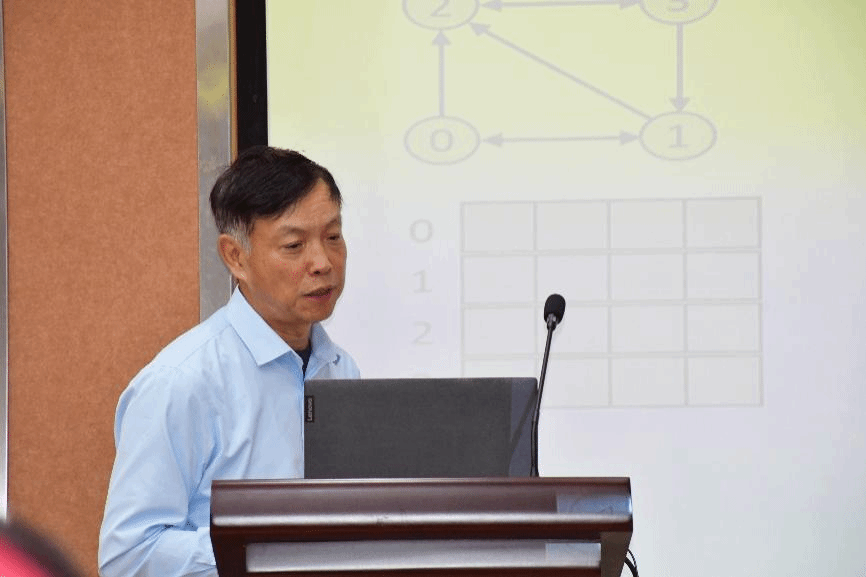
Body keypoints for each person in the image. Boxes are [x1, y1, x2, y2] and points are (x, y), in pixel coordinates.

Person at [98, 146, 360, 577]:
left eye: (333, 236)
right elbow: (129, 556)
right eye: (294, 245)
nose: (322, 262)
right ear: (236, 257)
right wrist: (262, 547)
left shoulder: (340, 369)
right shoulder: (181, 381)